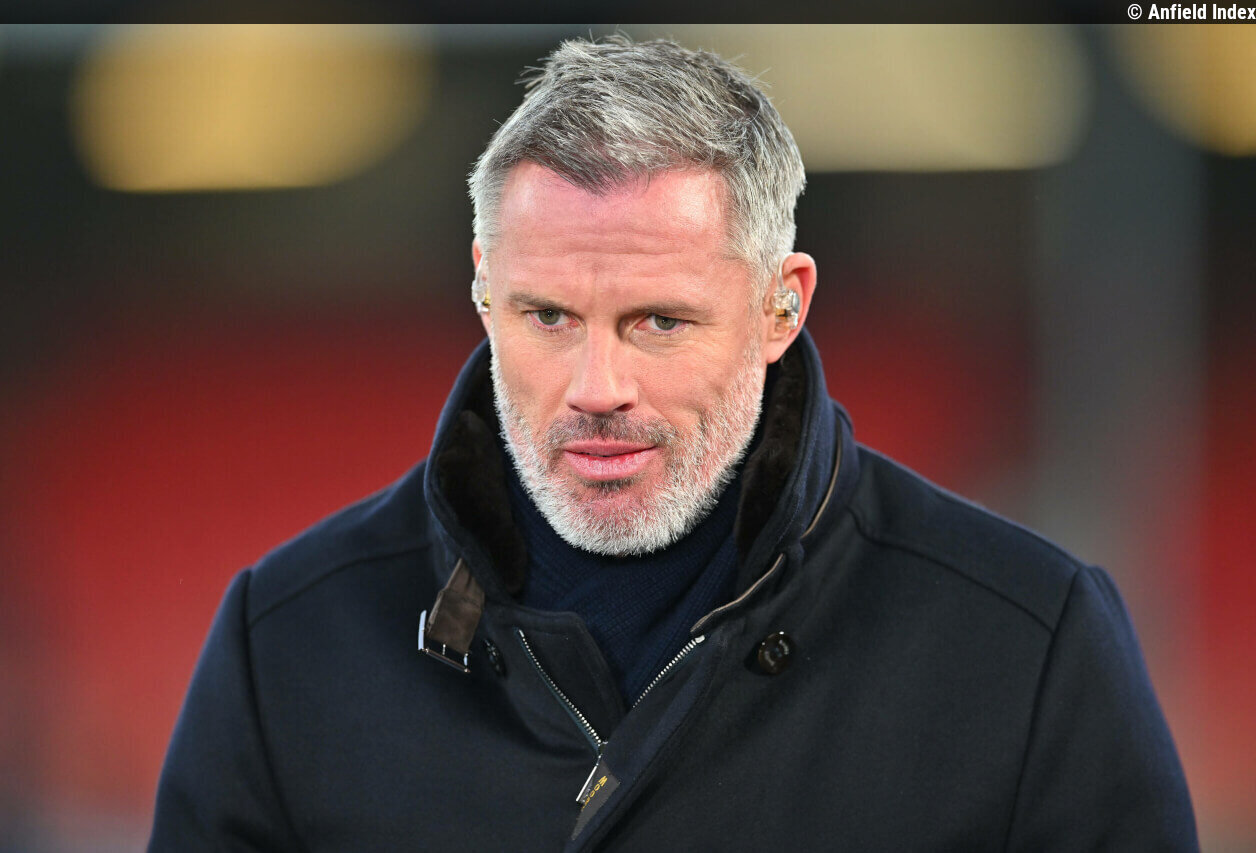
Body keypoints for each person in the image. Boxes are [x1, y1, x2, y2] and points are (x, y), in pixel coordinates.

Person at [149, 35, 1198, 852]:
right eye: (547, 316)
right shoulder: (286, 643)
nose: (597, 389)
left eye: (658, 320)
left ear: (781, 305)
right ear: (482, 288)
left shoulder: (1026, 644)